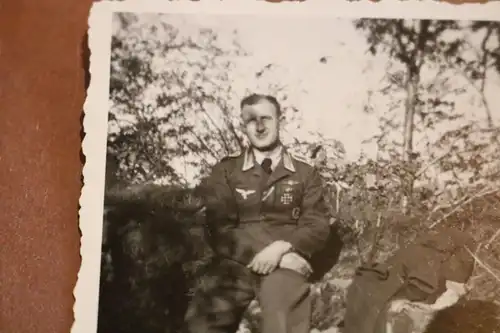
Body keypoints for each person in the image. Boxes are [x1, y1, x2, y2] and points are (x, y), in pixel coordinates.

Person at [184, 93, 332, 333]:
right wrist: (269, 253)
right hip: (236, 263)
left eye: (267, 118)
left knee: (281, 314)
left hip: (287, 264)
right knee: (202, 320)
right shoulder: (226, 171)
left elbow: (317, 227)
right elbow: (219, 228)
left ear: (279, 121)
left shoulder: (305, 173)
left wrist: (282, 249)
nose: (260, 127)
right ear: (244, 126)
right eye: (252, 121)